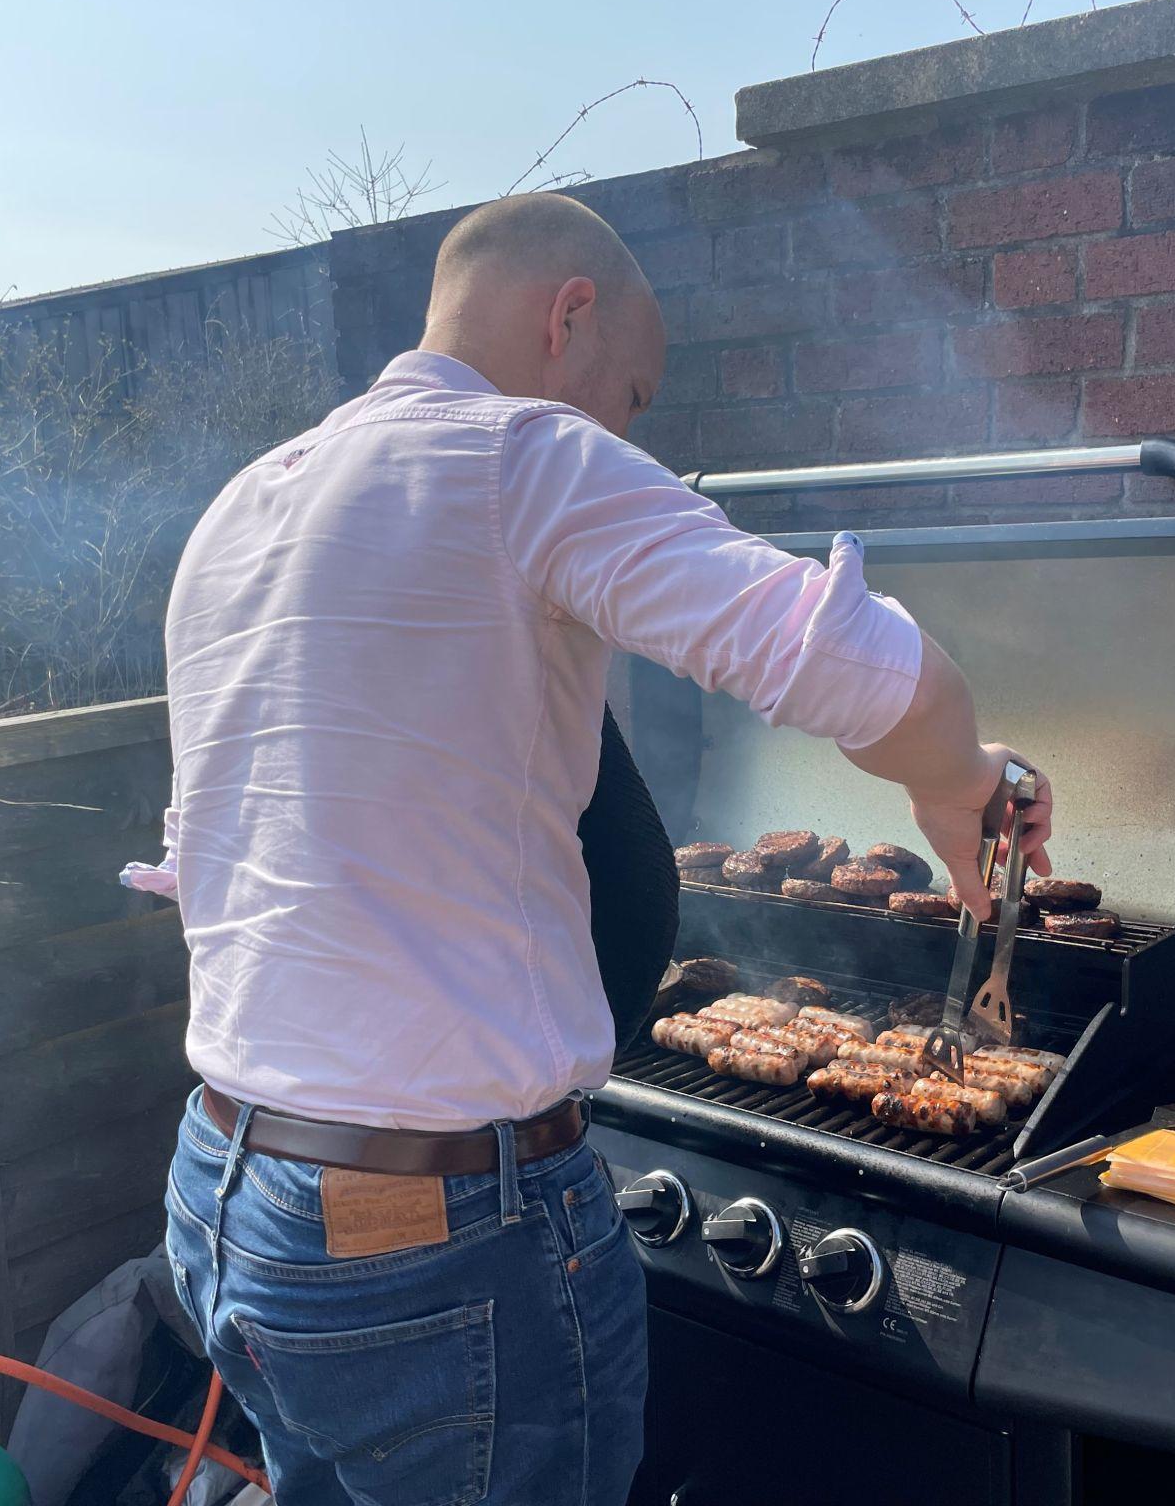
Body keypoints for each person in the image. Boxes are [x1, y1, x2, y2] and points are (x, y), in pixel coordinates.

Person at [155, 191, 1052, 1506]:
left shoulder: (243, 509)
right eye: (632, 397)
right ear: (567, 315)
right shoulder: (523, 459)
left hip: (227, 1201)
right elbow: (858, 666)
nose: (630, 431)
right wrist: (961, 781)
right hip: (434, 1246)